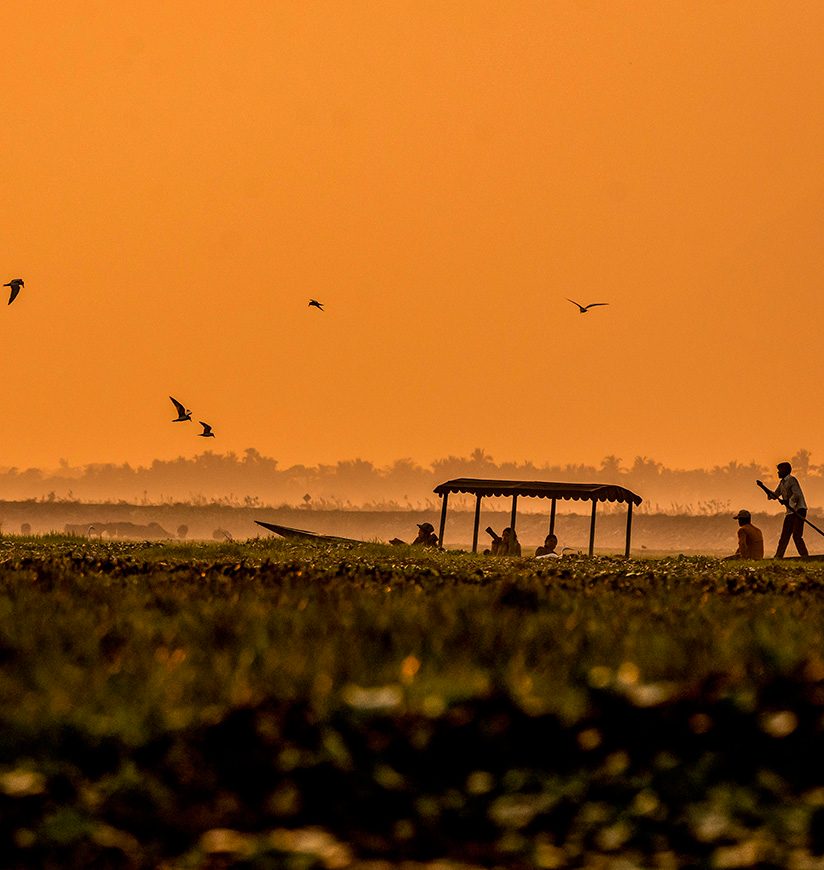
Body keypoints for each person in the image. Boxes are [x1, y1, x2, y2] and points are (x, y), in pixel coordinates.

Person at [769, 461, 809, 558]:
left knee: (796, 535)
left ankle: (805, 556)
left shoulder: (792, 480)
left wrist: (788, 501)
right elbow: (776, 494)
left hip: (799, 510)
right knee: (784, 536)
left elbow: (797, 495)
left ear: (785, 471)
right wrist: (769, 493)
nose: (778, 473)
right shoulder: (782, 483)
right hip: (790, 512)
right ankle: (778, 556)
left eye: (779, 471)